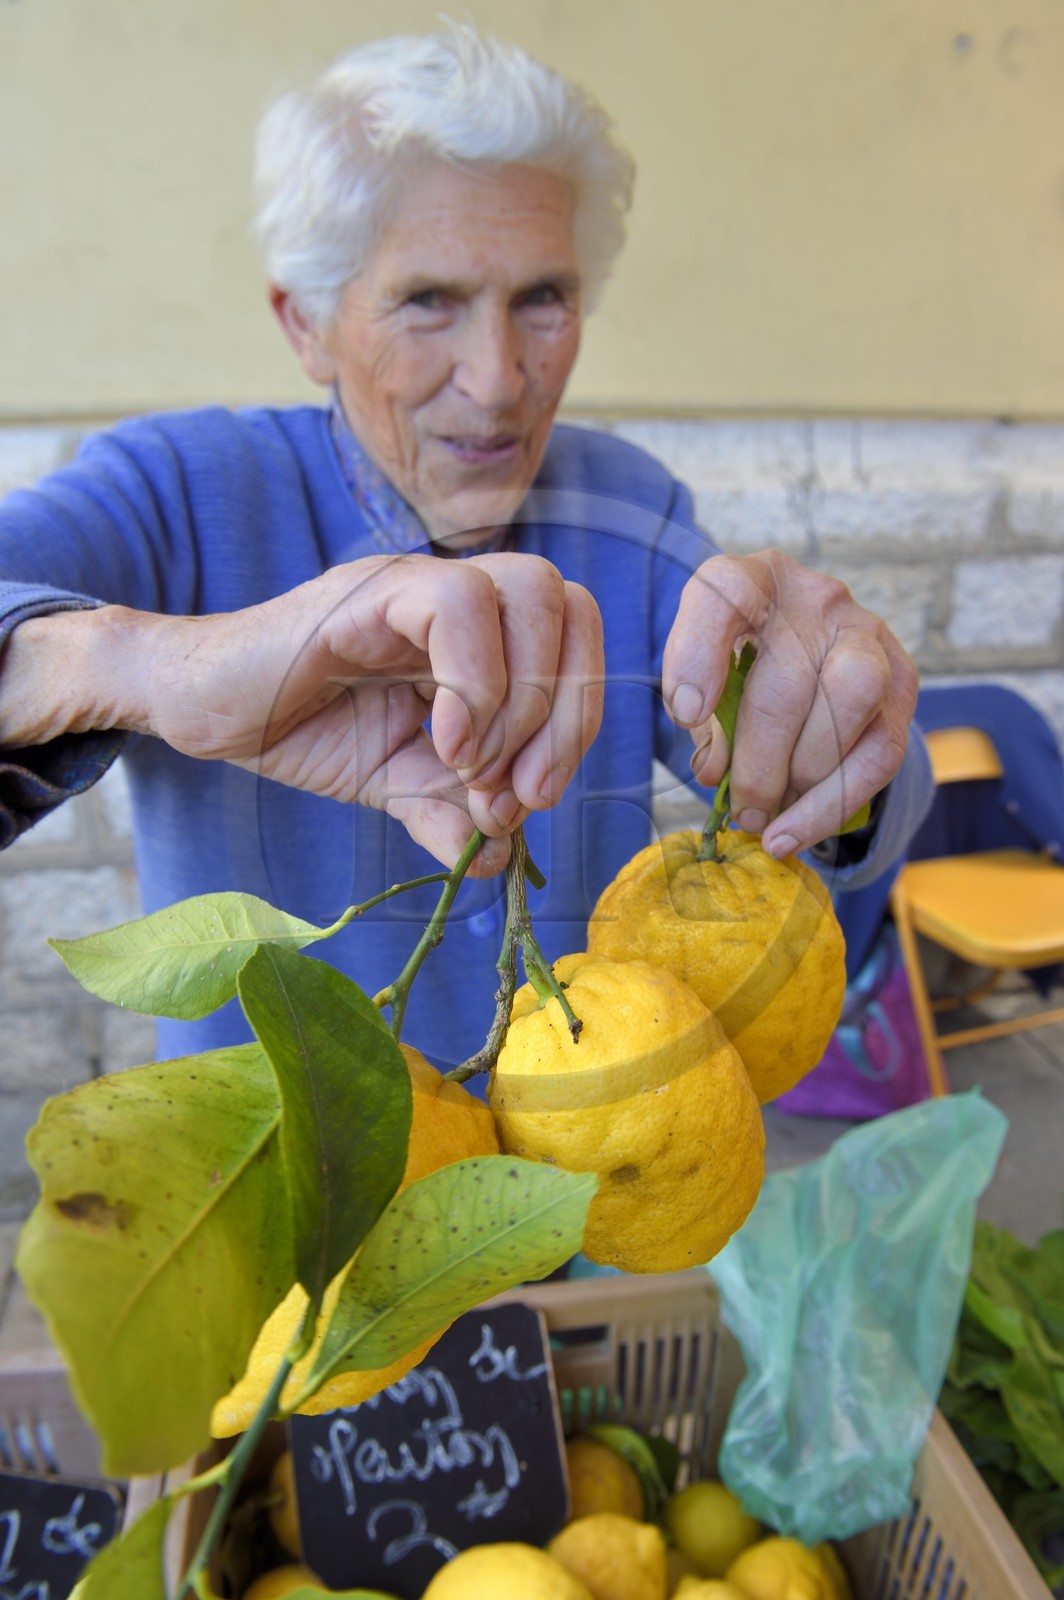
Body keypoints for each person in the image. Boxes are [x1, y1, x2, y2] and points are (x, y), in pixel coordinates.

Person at [0, 25, 930, 1071]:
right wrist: (144, 661)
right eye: (427, 300)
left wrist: (830, 722)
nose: (496, 378)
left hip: (583, 1175)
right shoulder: (171, 489)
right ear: (306, 324)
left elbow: (845, 810)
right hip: (273, 1191)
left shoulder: (627, 502)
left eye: (542, 298)